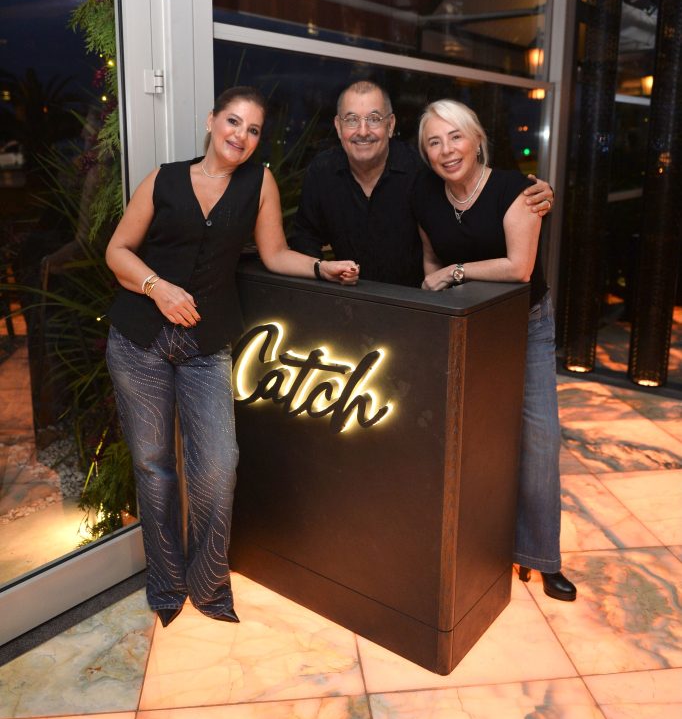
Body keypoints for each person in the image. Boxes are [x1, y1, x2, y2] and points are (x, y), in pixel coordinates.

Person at [105, 86, 359, 627]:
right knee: (153, 466)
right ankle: (166, 585)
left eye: (253, 129)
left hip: (205, 346)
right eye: (233, 122)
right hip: (138, 340)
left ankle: (208, 586)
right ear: (211, 121)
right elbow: (117, 251)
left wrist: (321, 267)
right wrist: (157, 288)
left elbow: (276, 253)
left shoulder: (258, 183)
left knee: (219, 466)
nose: (241, 136)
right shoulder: (164, 179)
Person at [413, 98, 575, 602]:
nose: (447, 150)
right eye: (434, 142)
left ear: (477, 139)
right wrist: (437, 283)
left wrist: (455, 273)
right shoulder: (425, 196)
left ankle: (541, 557)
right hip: (469, 328)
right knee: (476, 441)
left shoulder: (517, 189)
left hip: (526, 325)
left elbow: (519, 267)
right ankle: (483, 549)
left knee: (539, 437)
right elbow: (429, 259)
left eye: (455, 136)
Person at [290, 80, 554, 284]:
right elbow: (305, 236)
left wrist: (537, 191)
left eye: (374, 119)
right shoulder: (322, 172)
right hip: (350, 303)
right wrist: (321, 280)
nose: (363, 131)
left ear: (390, 125)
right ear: (338, 127)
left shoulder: (422, 169)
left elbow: (476, 196)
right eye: (351, 120)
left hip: (416, 308)